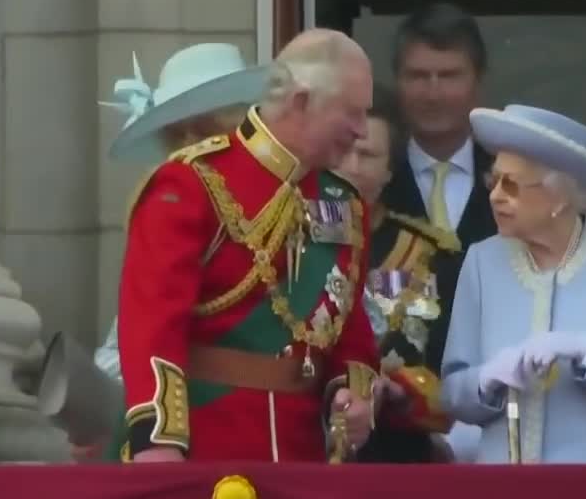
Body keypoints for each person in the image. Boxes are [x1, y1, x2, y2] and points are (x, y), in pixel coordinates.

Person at [117, 29, 423, 463]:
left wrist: (353, 395)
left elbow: (349, 334)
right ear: (300, 102)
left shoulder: (342, 202)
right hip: (207, 446)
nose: (360, 131)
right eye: (350, 114)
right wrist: (160, 441)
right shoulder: (190, 183)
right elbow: (151, 323)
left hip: (305, 458)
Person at [440, 104, 586, 463]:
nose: (495, 196)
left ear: (559, 198)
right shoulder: (482, 261)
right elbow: (452, 394)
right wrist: (486, 380)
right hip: (506, 493)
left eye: (512, 185)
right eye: (494, 180)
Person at [95, 43, 265, 386]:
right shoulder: (166, 209)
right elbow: (127, 342)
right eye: (177, 138)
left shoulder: (282, 203)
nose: (191, 150)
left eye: (206, 134)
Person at [375, 2, 497, 463]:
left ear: (477, 81)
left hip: (493, 423)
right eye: (417, 75)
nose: (433, 91)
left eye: (449, 75)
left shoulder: (513, 181)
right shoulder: (372, 178)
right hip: (392, 434)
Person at [337, 85, 456, 463]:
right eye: (343, 150)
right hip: (306, 447)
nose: (352, 165)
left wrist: (403, 389)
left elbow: (451, 372)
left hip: (398, 455)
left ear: (390, 170)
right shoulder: (288, 240)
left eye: (367, 154)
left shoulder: (429, 255)